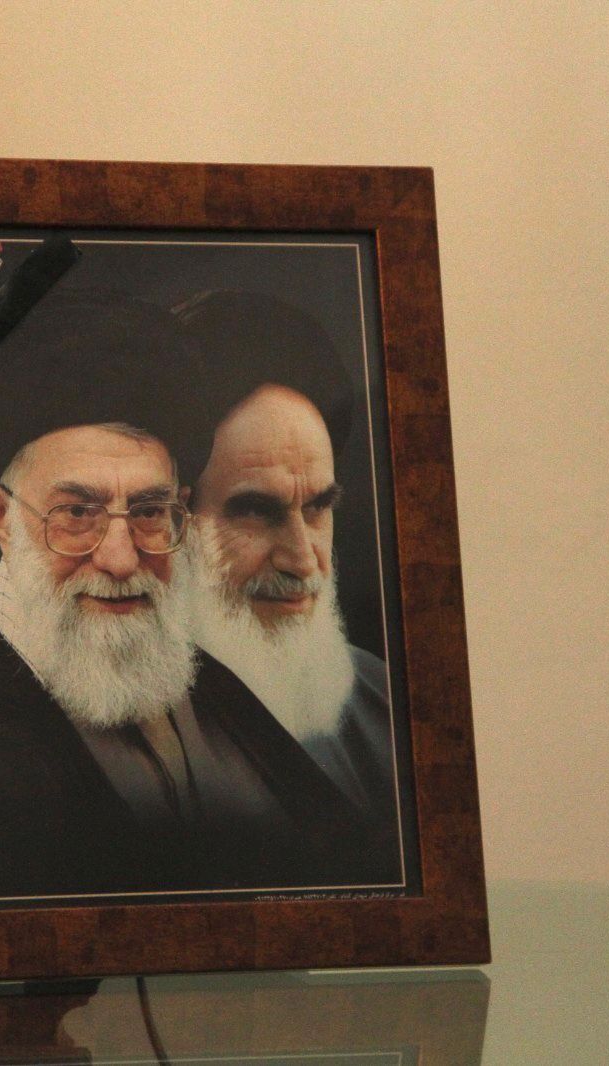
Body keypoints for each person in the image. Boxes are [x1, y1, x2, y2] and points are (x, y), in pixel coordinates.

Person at [0, 289, 388, 900]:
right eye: (77, 513)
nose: (120, 558)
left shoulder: (214, 687)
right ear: (0, 516)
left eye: (148, 511)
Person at [175, 290, 400, 830]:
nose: (303, 561)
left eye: (318, 507)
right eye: (256, 511)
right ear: (170, 519)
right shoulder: (112, 739)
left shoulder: (387, 707)